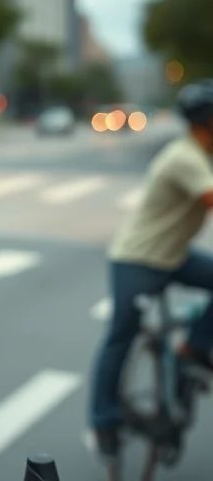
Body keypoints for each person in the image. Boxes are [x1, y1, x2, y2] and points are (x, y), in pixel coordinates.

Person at [88, 79, 213, 468]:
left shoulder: (203, 152)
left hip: (172, 256)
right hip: (138, 260)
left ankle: (192, 346)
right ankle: (103, 422)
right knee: (121, 337)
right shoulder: (184, 157)